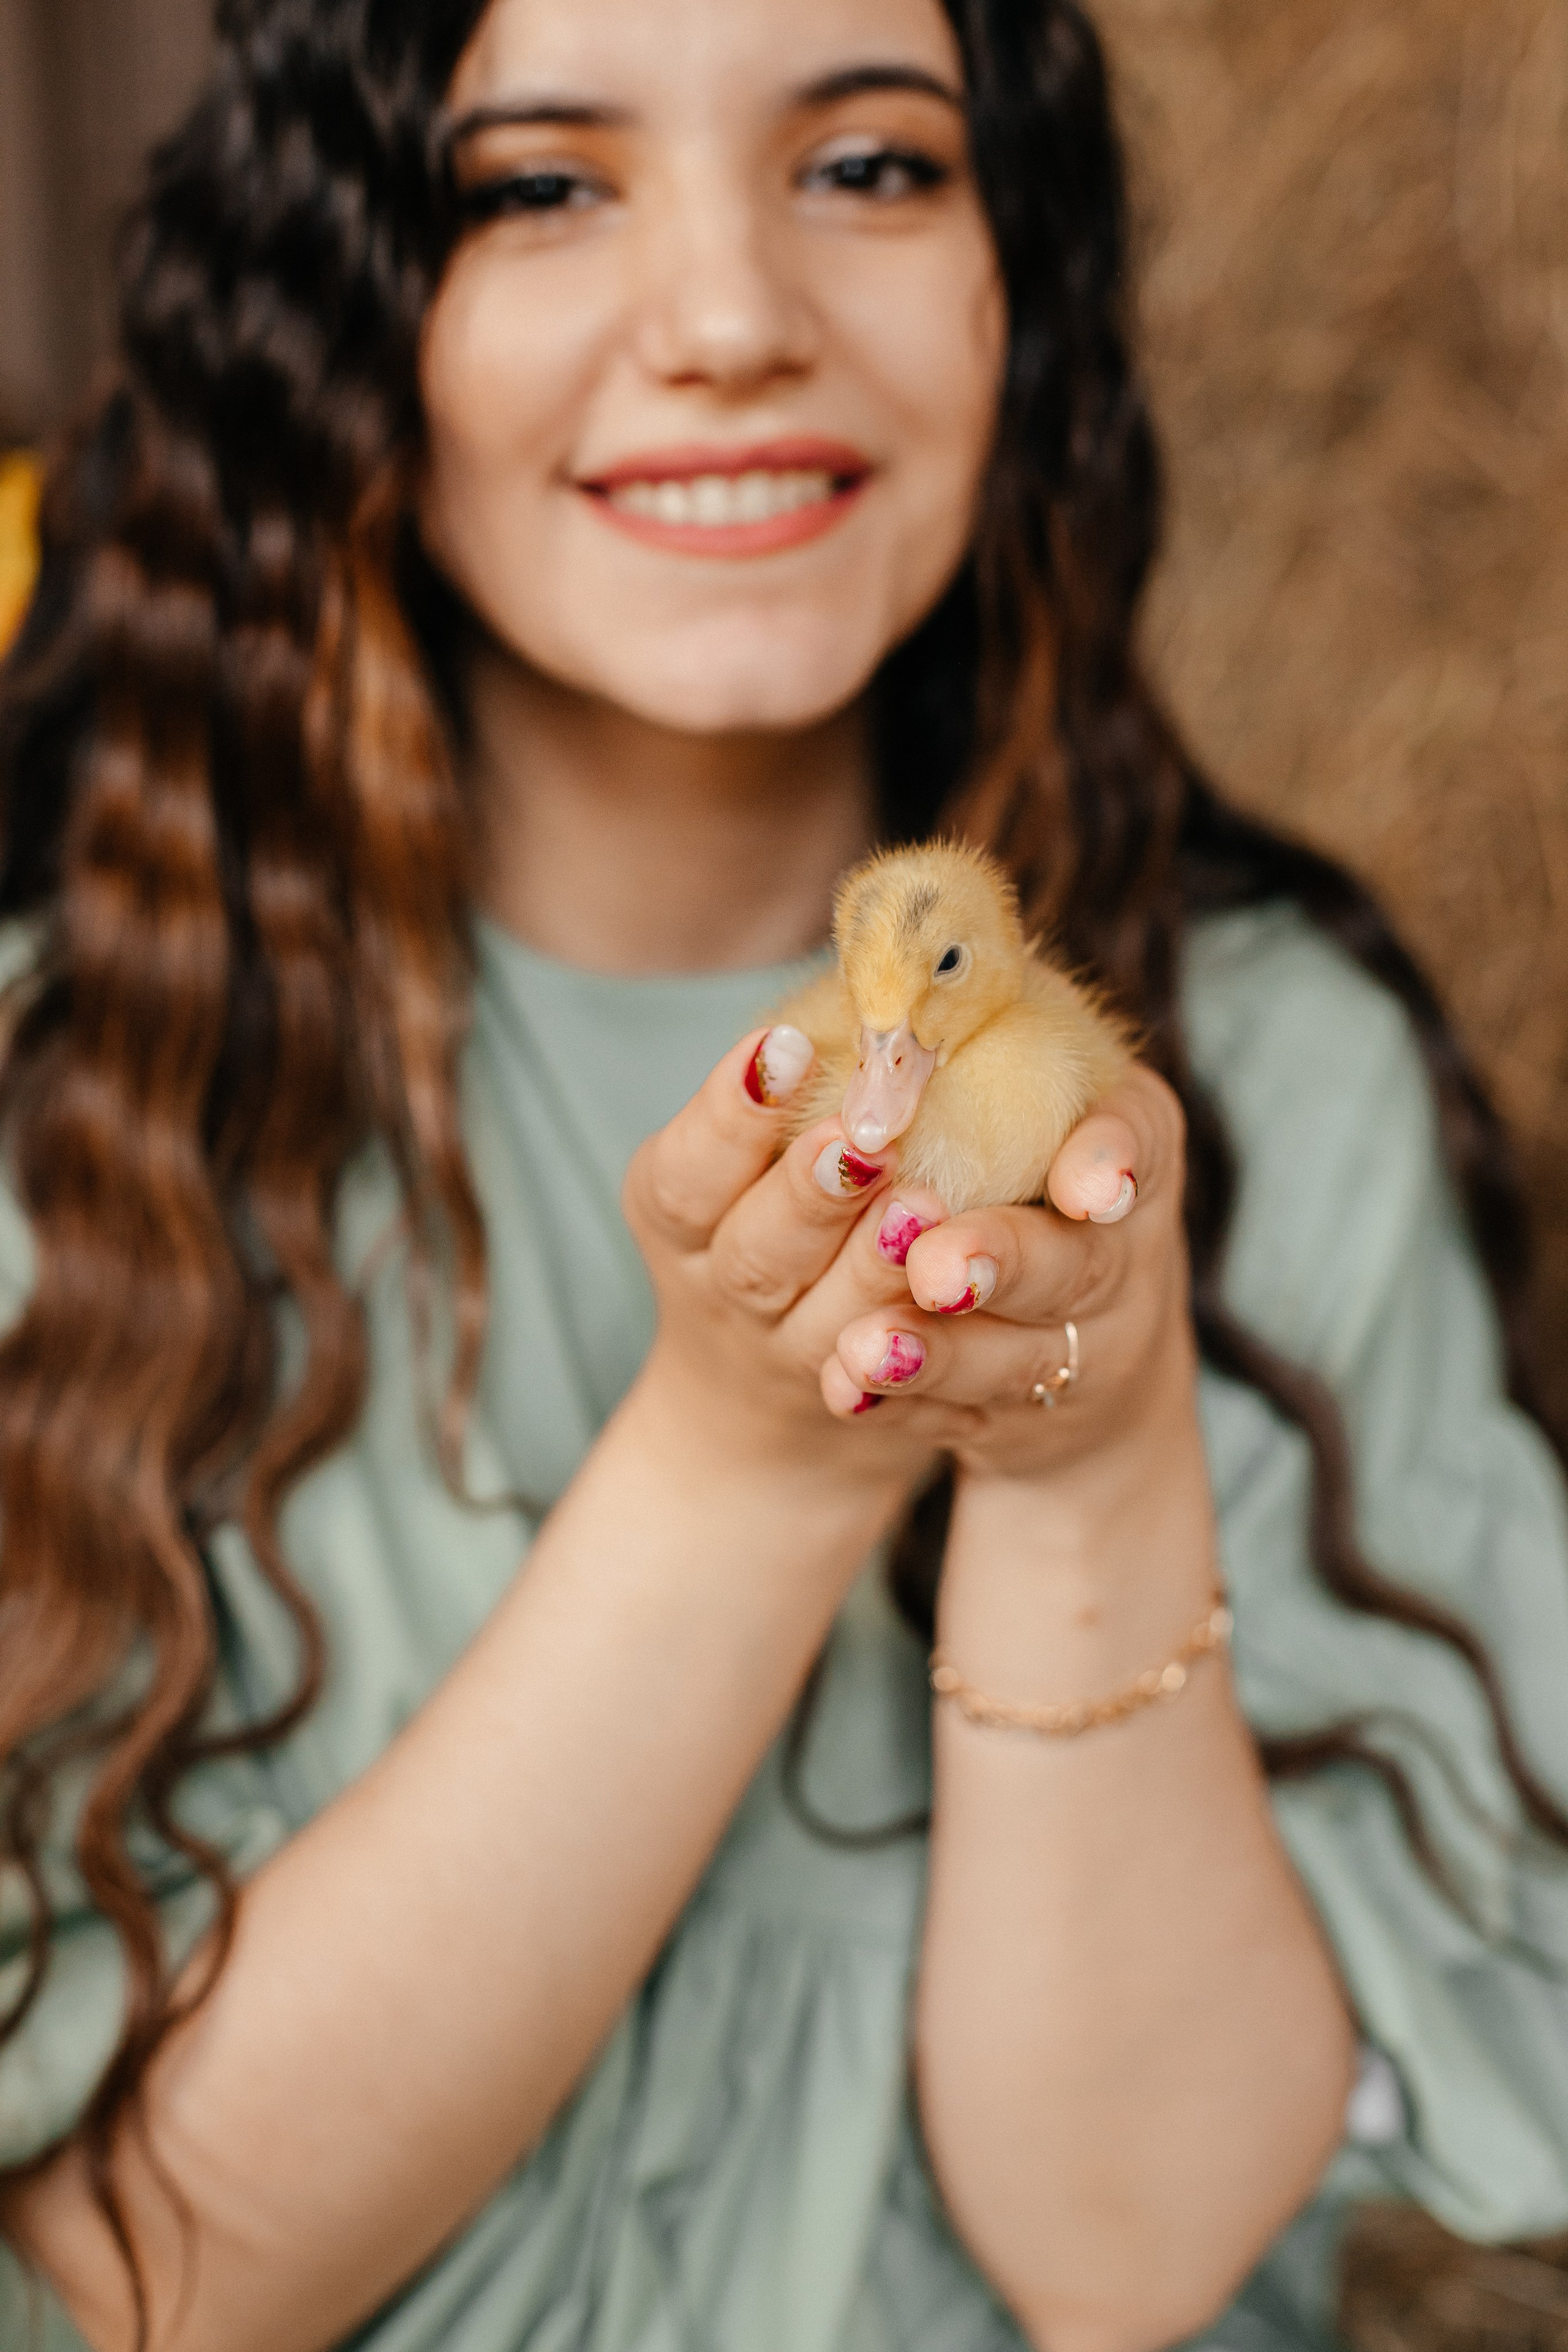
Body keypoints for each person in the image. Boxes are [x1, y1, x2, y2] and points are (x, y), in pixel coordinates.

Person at [1, 0, 1566, 2346]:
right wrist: (754, 1457)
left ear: (1021, 278)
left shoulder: (1266, 1086)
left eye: (870, 166)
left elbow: (1134, 2256)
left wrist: (1091, 1462)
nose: (732, 318)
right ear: (339, 299)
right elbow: (157, 2288)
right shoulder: (70, 1114)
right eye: (541, 185)